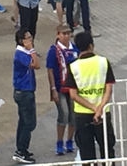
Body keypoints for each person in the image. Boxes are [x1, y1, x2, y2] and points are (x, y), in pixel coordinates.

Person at [65, 31, 116, 163]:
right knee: (107, 150)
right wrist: (99, 109)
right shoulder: (103, 62)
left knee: (86, 153)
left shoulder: (73, 67)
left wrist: (92, 107)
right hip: (103, 113)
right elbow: (108, 89)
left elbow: (73, 95)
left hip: (82, 115)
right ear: (91, 46)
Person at [45, 24, 77, 156]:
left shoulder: (74, 49)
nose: (66, 36)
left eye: (68, 33)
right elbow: (50, 70)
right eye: (64, 34)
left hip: (73, 88)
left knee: (73, 116)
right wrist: (53, 88)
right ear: (58, 35)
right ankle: (59, 141)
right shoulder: (54, 50)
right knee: (63, 113)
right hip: (59, 87)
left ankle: (69, 140)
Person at [12, 27, 40, 164]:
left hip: (25, 91)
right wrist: (33, 50)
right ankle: (21, 151)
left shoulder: (23, 52)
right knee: (29, 123)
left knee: (23, 121)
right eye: (28, 38)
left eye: (31, 37)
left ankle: (22, 148)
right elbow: (36, 65)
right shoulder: (21, 54)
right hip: (24, 92)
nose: (31, 40)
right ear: (21, 40)